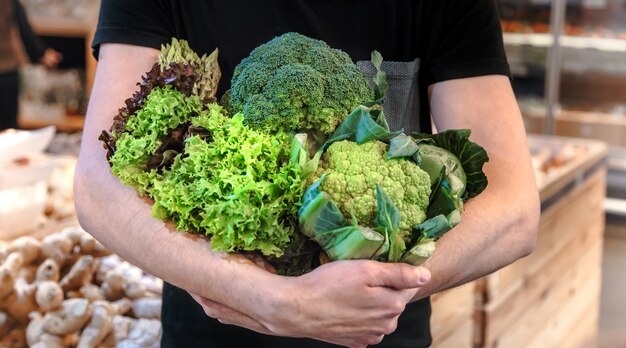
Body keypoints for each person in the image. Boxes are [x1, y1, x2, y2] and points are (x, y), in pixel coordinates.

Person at [74, 0, 540, 347]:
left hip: (380, 335)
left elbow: (514, 208)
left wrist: (382, 284)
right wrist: (275, 302)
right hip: (212, 335)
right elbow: (100, 186)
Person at [0, 0, 62, 131]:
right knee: (8, 130)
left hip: (7, 68)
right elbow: (23, 26)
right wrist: (41, 53)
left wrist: (40, 53)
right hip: (6, 69)